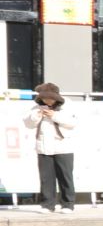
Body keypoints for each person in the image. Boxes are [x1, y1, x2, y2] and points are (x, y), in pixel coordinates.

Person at [25, 83, 77, 213]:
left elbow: (72, 123)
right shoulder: (36, 107)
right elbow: (28, 124)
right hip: (43, 147)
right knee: (46, 178)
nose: (47, 101)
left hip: (63, 147)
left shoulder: (67, 105)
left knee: (65, 177)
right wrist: (37, 115)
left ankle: (68, 204)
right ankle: (47, 205)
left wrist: (54, 115)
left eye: (50, 98)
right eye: (44, 98)